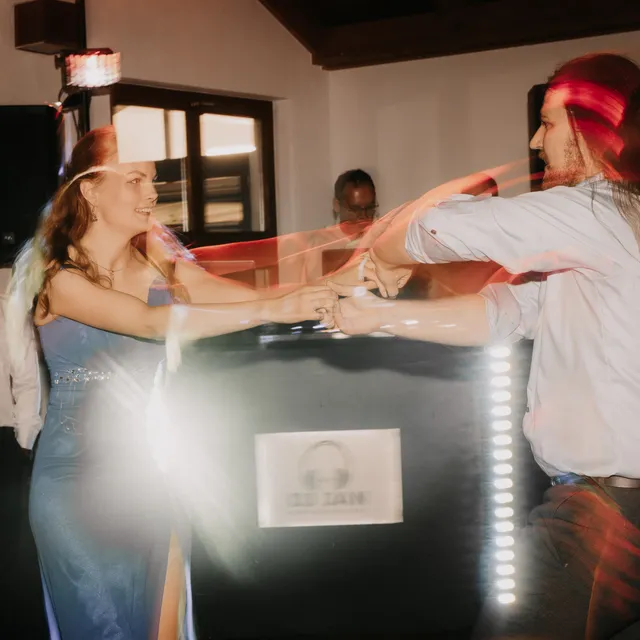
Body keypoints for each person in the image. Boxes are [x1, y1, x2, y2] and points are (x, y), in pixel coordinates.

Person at [332, 53, 640, 639]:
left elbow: (443, 227)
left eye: (547, 123)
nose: (535, 141)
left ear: (592, 127)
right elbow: (506, 314)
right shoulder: (611, 229)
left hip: (602, 519)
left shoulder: (597, 210)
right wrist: (381, 318)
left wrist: (384, 251)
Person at [4, 125, 336, 640]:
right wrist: (274, 310)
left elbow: (214, 289)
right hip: (75, 486)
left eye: (153, 179)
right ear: (90, 190)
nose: (152, 192)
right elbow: (150, 322)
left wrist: (324, 287)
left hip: (148, 473)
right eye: (134, 179)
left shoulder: (154, 259)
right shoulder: (58, 278)